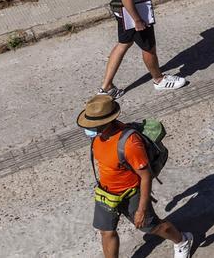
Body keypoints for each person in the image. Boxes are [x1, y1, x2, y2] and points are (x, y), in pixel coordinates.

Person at [78, 95, 194, 258]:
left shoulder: (130, 143)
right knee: (106, 232)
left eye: (94, 124)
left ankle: (182, 240)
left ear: (107, 122)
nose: (90, 128)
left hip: (131, 193)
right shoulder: (98, 136)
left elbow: (145, 176)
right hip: (107, 193)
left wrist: (141, 209)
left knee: (152, 227)